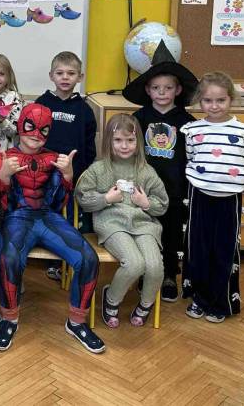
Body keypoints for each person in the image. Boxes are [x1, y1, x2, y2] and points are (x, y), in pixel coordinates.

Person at [0, 103, 103, 353]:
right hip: (17, 218)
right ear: (20, 125)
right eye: (30, 126)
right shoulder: (2, 159)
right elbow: (2, 206)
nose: (36, 134)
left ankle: (77, 322)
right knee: (8, 260)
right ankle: (9, 320)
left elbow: (58, 202)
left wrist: (68, 176)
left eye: (43, 129)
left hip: (48, 217)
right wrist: (4, 177)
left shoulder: (54, 159)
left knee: (88, 258)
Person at [75, 113, 168, 329]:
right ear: (108, 141)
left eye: (130, 140)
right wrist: (106, 199)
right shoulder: (98, 169)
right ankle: (111, 299)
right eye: (118, 140)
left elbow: (162, 204)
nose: (124, 146)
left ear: (138, 142)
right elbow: (83, 197)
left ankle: (146, 304)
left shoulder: (146, 171)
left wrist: (146, 203)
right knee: (134, 263)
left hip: (144, 226)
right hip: (112, 225)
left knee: (155, 266)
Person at [121, 40, 197, 302]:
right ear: (148, 90)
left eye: (168, 87)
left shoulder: (187, 123)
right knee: (145, 231)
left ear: (178, 90)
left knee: (171, 233)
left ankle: (168, 275)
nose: (162, 92)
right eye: (156, 88)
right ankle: (146, 272)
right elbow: (127, 152)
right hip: (144, 190)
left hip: (175, 190)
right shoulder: (138, 119)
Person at [181, 72, 244, 324]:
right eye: (207, 101)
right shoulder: (193, 129)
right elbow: (191, 158)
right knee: (198, 248)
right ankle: (199, 298)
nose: (214, 106)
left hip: (229, 198)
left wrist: (243, 185)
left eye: (221, 100)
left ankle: (221, 302)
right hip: (199, 195)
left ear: (231, 99)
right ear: (199, 101)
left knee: (224, 250)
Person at [35, 50, 98, 271]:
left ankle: (64, 260)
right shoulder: (41, 104)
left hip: (71, 177)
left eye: (71, 73)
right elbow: (31, 139)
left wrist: (79, 173)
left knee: (67, 219)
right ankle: (49, 258)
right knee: (46, 215)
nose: (65, 77)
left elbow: (89, 147)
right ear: (51, 75)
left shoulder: (85, 110)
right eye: (60, 73)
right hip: (42, 175)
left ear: (80, 77)